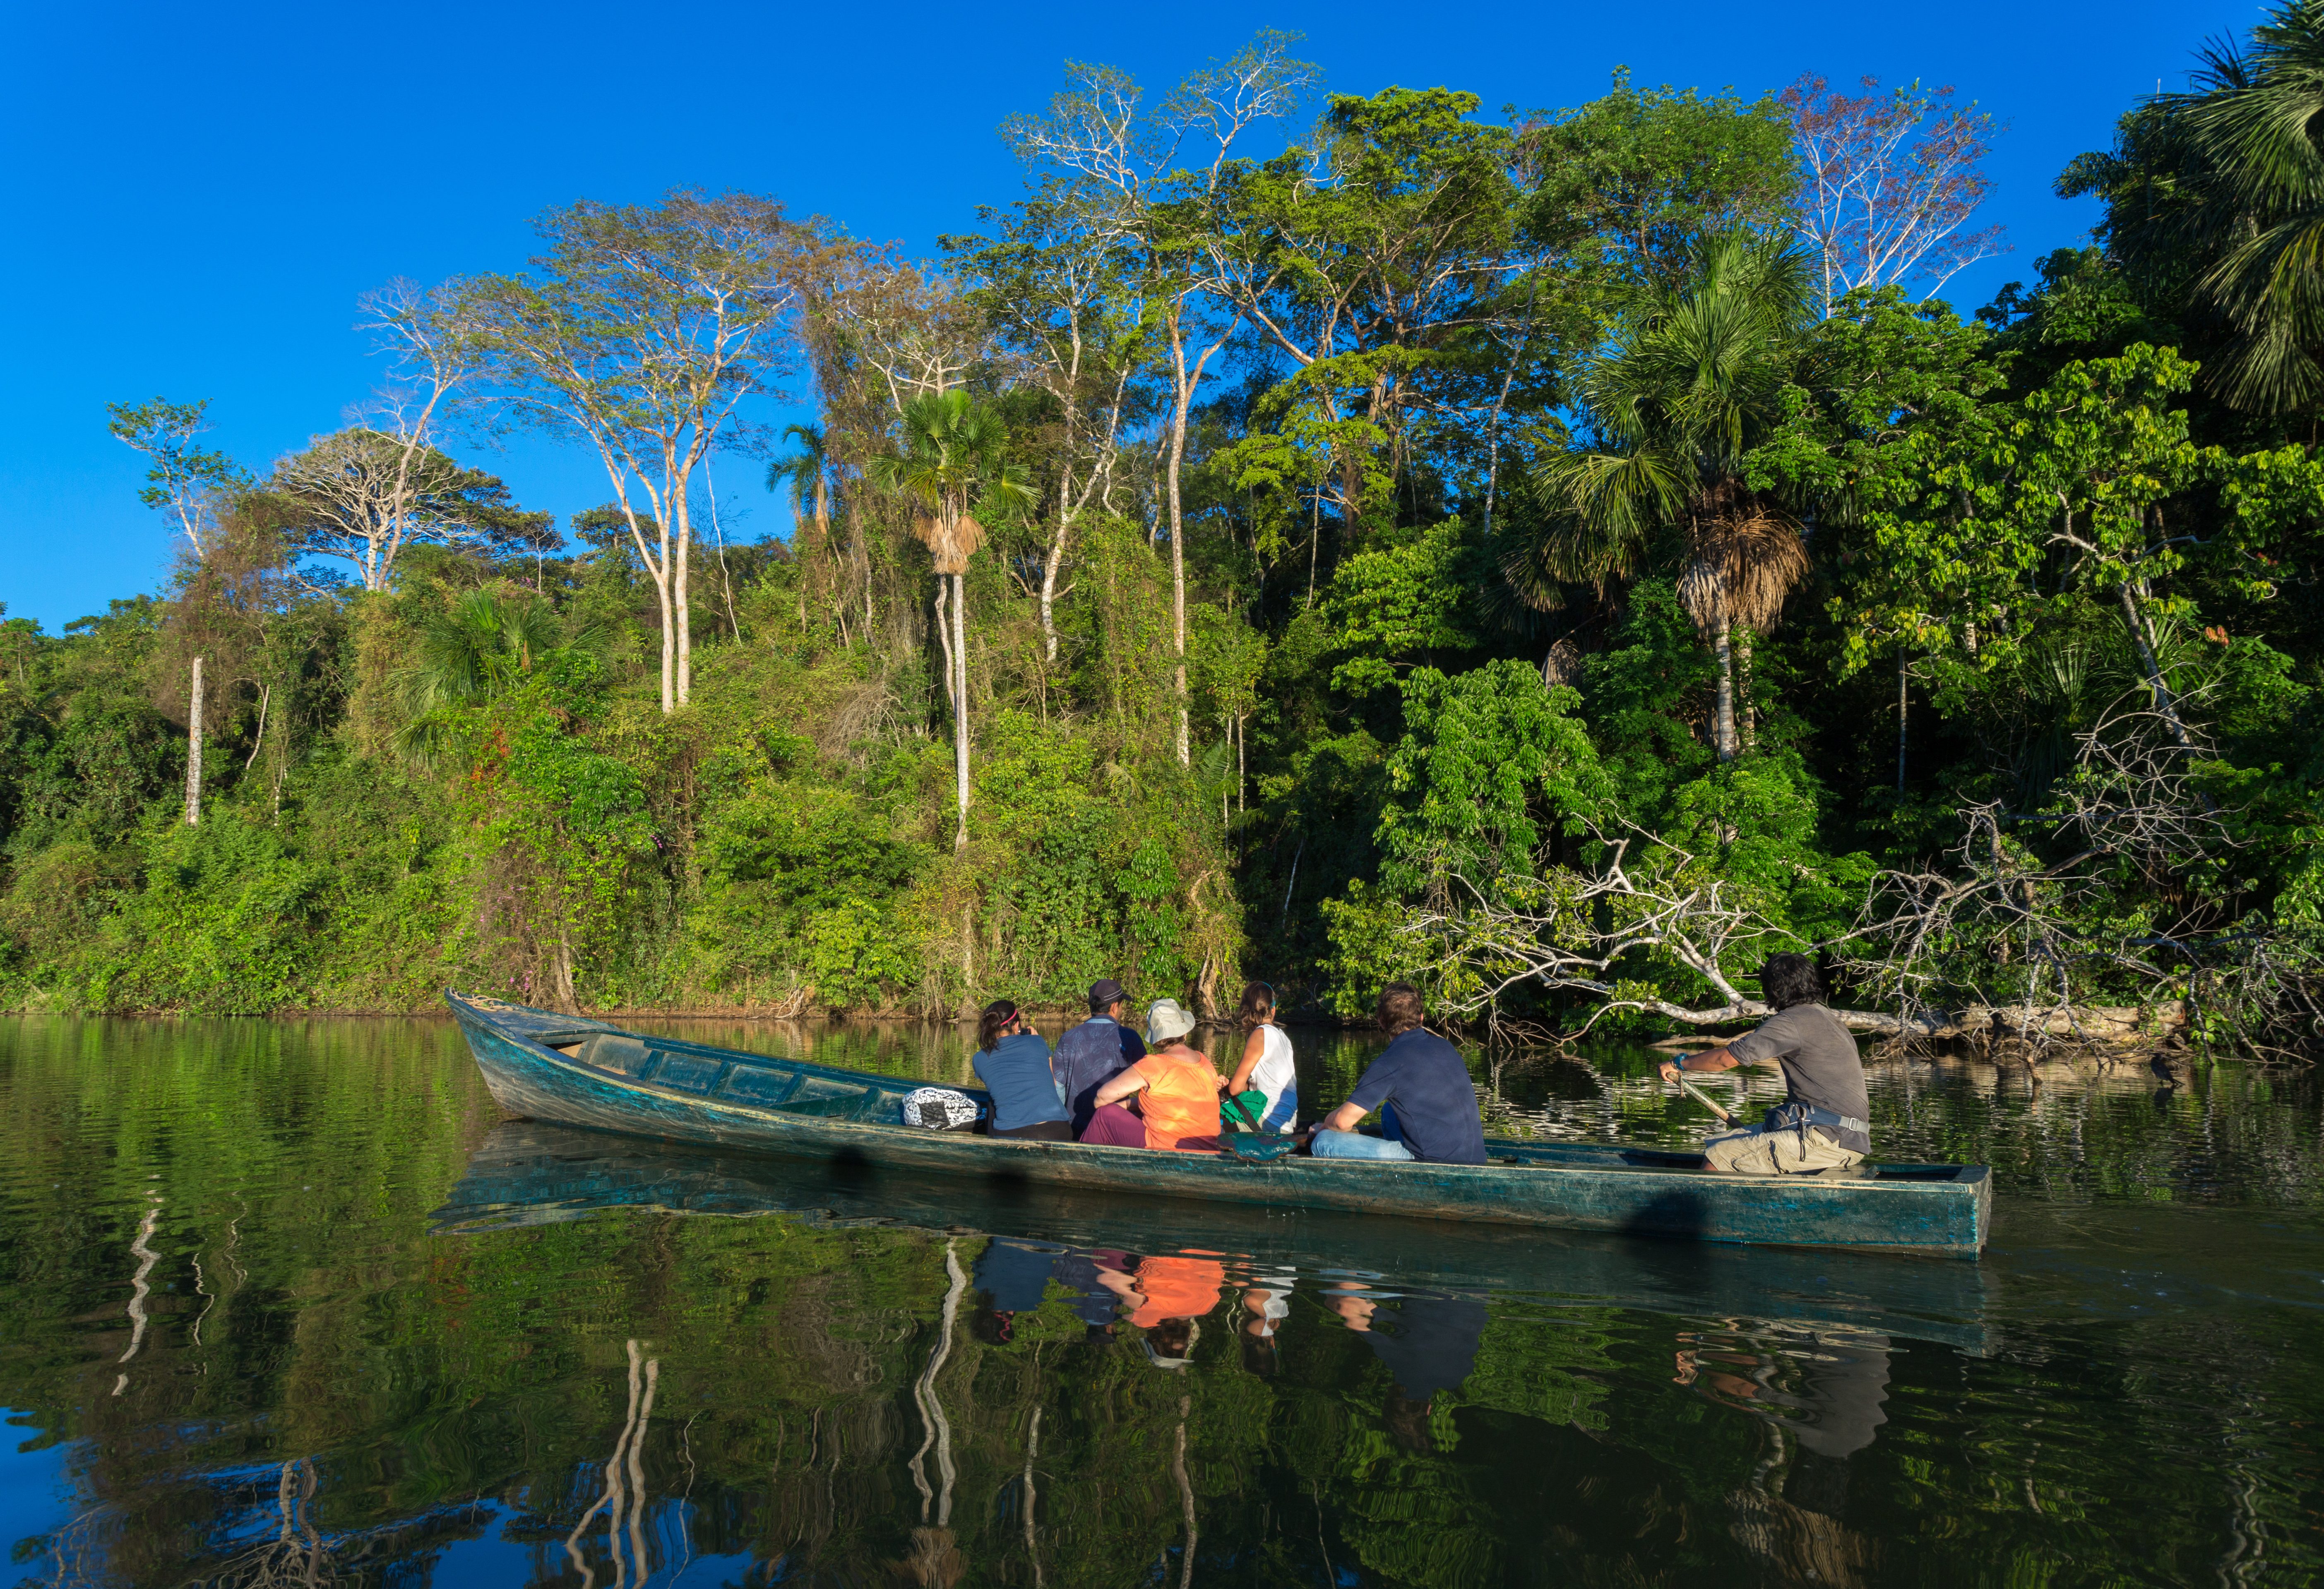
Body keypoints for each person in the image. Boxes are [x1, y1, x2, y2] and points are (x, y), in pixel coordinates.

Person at [1656, 953, 1870, 1175]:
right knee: (1717, 1142)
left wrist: (1680, 1064)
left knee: (1720, 1157)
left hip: (1829, 1140)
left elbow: (1726, 1060)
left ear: (1772, 989)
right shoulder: (1825, 1016)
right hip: (1839, 1137)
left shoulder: (1791, 1022)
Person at [1308, 983, 1486, 1165]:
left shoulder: (1387, 1064)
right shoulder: (1445, 1046)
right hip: (1476, 1156)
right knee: (1389, 1110)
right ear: (1422, 1018)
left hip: (1431, 1161)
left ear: (1381, 1021)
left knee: (1324, 1142)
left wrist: (1322, 1128)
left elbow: (1342, 1123)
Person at [1081, 998, 1226, 1150]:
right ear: (1184, 1034)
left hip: (1167, 1147)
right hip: (1210, 1147)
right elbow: (1175, 1100)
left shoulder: (1153, 1065)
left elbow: (1101, 1098)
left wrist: (1123, 1106)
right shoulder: (1205, 1063)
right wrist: (1128, 1105)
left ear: (1156, 1040)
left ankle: (1080, 1163)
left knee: (1105, 1114)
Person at [1053, 977, 1145, 1136]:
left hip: (1075, 1128)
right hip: (1114, 1130)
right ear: (1115, 1007)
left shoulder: (1068, 1038)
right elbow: (1147, 1085)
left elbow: (1058, 1087)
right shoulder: (1129, 1037)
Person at [970, 999, 1073, 1142]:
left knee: (992, 1102)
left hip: (1012, 1133)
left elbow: (1001, 1085)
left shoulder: (979, 1058)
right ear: (1016, 1025)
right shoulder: (1037, 1042)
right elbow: (1052, 1083)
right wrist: (1037, 1039)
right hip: (1058, 1130)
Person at [1225, 980, 1298, 1133]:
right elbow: (1253, 1086)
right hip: (1286, 1124)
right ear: (1273, 1010)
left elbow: (1234, 1090)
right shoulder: (1283, 1038)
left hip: (1268, 1123)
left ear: (1245, 1011)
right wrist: (1229, 1083)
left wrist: (1228, 1085)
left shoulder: (1260, 1034)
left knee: (1207, 1120)